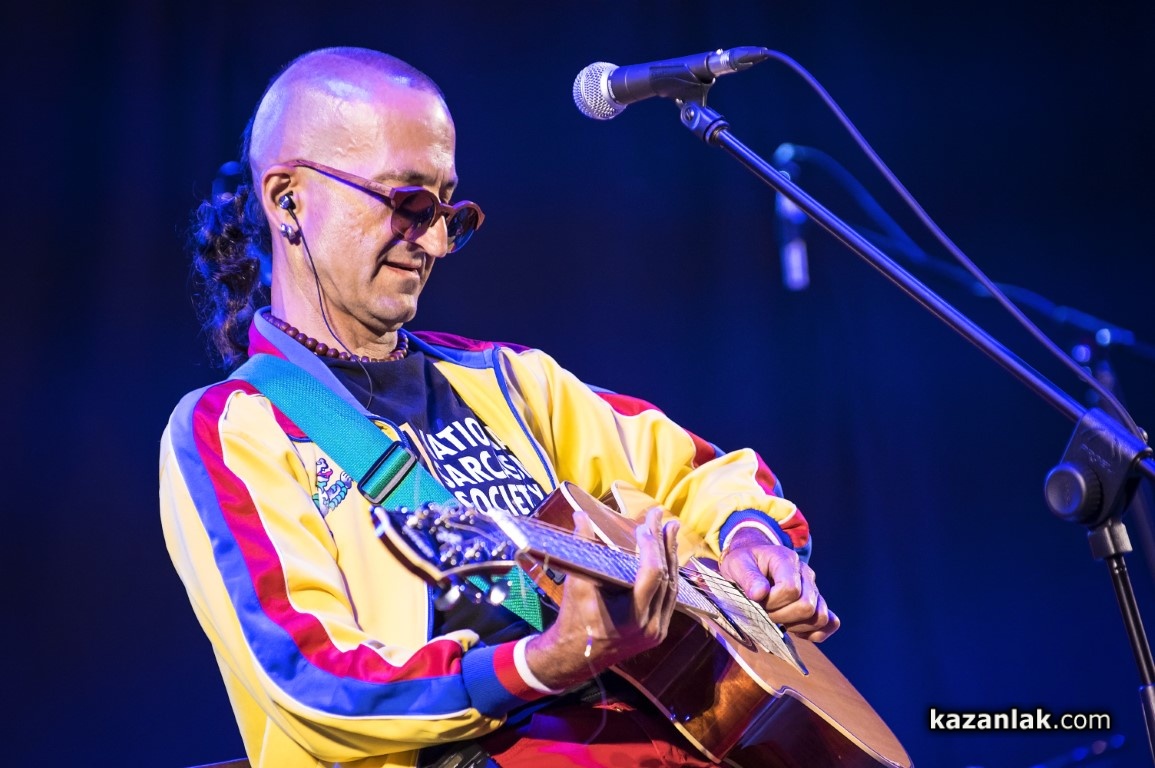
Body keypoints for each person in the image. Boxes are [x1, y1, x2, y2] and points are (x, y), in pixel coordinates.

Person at [160, 47, 837, 768]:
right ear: (287, 199)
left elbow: (703, 471)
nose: (432, 242)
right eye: (407, 204)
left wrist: (750, 540)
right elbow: (314, 683)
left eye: (448, 212)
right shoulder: (236, 429)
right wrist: (545, 661)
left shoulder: (509, 380)